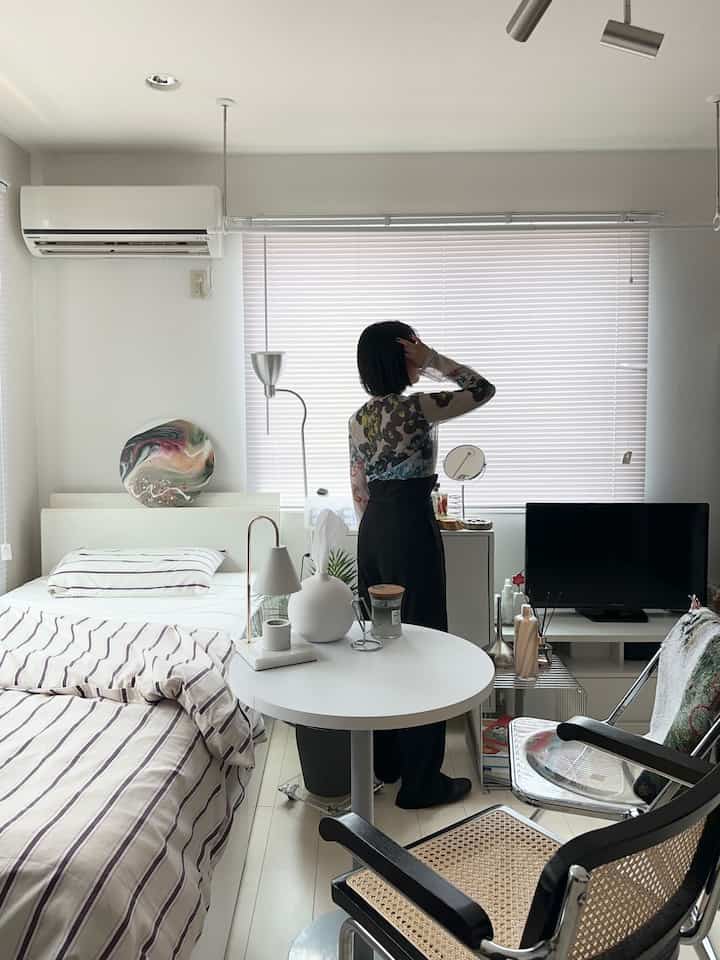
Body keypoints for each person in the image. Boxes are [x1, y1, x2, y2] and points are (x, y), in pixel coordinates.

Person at [349, 321, 496, 809]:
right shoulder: (419, 408)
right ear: (401, 356)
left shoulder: (358, 420)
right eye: (411, 347)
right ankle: (420, 782)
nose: (418, 356)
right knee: (425, 644)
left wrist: (375, 539)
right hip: (411, 528)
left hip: (373, 534)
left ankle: (388, 761)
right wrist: (434, 358)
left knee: (383, 643)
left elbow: (359, 491)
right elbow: (482, 389)